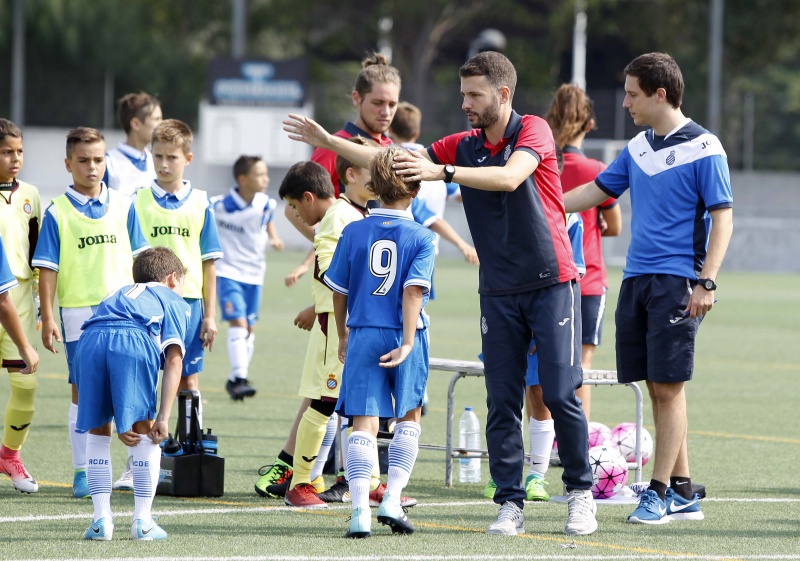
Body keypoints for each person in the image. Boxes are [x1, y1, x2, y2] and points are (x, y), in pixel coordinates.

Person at [284, 50, 597, 537]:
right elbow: (390, 160)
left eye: (475, 95)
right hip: (498, 289)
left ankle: (580, 495)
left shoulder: (531, 129)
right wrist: (331, 142)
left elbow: (511, 177)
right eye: (463, 95)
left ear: (503, 94)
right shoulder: (462, 144)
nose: (466, 103)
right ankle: (509, 502)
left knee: (559, 391)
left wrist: (442, 172)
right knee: (501, 399)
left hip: (551, 281)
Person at [562, 52, 734, 525]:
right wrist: (549, 208)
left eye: (633, 94)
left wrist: (707, 281)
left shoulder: (706, 148)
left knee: (668, 387)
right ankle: (682, 491)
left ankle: (657, 494)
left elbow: (723, 219)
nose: (625, 102)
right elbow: (599, 191)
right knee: (656, 385)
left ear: (661, 94)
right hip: (636, 279)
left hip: (679, 281)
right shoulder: (638, 147)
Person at [324, 145, 435, 538]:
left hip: (363, 332)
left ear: (373, 186)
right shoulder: (422, 236)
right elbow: (412, 293)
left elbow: (338, 290)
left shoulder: (354, 230)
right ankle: (392, 499)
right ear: (417, 190)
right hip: (408, 333)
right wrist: (406, 342)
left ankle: (358, 512)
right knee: (408, 416)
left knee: (362, 423)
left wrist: (342, 333)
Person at [33, 127, 149, 498]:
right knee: (82, 392)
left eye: (98, 160)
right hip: (78, 314)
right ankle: (83, 471)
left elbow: (141, 260)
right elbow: (47, 268)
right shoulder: (57, 212)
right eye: (83, 160)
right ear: (68, 164)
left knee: (128, 388)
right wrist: (48, 316)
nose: (92, 167)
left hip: (125, 313)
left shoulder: (124, 204)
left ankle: (136, 468)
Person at [274, 143, 374, 509]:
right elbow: (333, 273)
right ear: (350, 175)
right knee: (324, 399)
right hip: (338, 323)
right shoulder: (337, 217)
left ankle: (368, 479)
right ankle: (299, 484)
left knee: (359, 401)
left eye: (299, 208)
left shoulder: (354, 215)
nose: (301, 215)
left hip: (349, 321)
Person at [76, 247, 190, 541]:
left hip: (89, 340)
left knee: (98, 431)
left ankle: (101, 521)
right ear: (173, 278)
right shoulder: (173, 300)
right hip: (132, 339)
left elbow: (102, 328)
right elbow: (174, 360)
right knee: (146, 430)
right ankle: (143, 521)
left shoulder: (116, 293)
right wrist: (164, 417)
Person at [484, 209, 585, 503]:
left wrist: (547, 328)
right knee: (502, 396)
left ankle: (537, 475)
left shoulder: (568, 218)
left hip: (547, 312)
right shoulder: (500, 209)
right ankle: (504, 477)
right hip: (506, 306)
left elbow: (574, 271)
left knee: (544, 395)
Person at [135, 119, 222, 429]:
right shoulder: (138, 200)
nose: (163, 164)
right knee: (144, 375)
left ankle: (190, 445)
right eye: (157, 156)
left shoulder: (201, 202)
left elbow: (209, 263)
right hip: (146, 304)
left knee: (188, 376)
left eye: (171, 157)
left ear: (187, 159)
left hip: (189, 304)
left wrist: (210, 316)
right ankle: (145, 457)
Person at [545, 84, 622, 421]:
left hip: (545, 278)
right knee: (583, 365)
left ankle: (545, 444)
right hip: (587, 279)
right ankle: (578, 442)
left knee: (547, 363)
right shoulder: (596, 170)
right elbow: (615, 226)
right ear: (590, 125)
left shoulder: (543, 164)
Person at [211, 155, 284, 401]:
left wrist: (274, 237)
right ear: (243, 179)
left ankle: (236, 380)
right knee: (239, 325)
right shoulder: (218, 206)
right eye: (260, 174)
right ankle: (240, 377)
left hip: (255, 274)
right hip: (228, 273)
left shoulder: (266, 204)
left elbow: (267, 221)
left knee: (249, 328)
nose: (266, 179)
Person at [0, 119, 42, 494]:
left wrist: (44, 306)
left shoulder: (30, 195)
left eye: (19, 152)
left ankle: (9, 455)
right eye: (6, 152)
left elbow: (38, 254)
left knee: (26, 389)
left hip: (20, 304)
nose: (15, 159)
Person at [104, 92, 163, 198]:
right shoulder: (108, 162)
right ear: (136, 124)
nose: (162, 124)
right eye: (156, 119)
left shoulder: (156, 161)